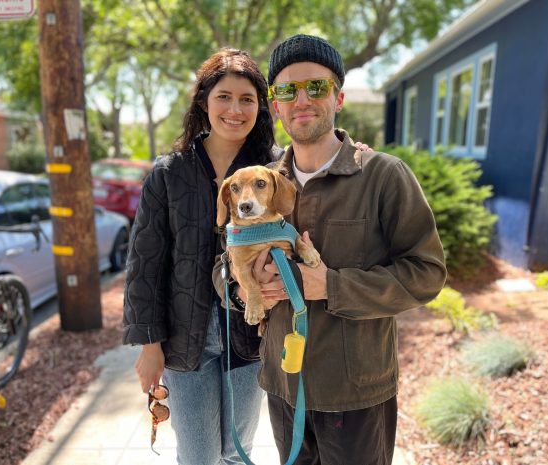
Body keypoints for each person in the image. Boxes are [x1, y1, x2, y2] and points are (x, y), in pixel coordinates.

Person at [217, 34, 447, 464]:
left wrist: (331, 286)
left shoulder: (383, 175)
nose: (301, 99)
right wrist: (248, 287)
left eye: (316, 87)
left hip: (356, 391)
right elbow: (223, 265)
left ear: (338, 97)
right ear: (276, 106)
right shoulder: (259, 181)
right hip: (284, 384)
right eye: (287, 90)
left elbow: (426, 273)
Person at [122, 48, 280, 465]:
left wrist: (356, 151)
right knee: (198, 457)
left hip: (250, 335)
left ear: (260, 107)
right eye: (224, 96)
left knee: (237, 451)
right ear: (204, 102)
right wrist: (149, 344)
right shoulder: (169, 173)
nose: (235, 109)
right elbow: (145, 264)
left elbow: (322, 177)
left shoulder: (274, 168)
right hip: (184, 339)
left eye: (247, 99)